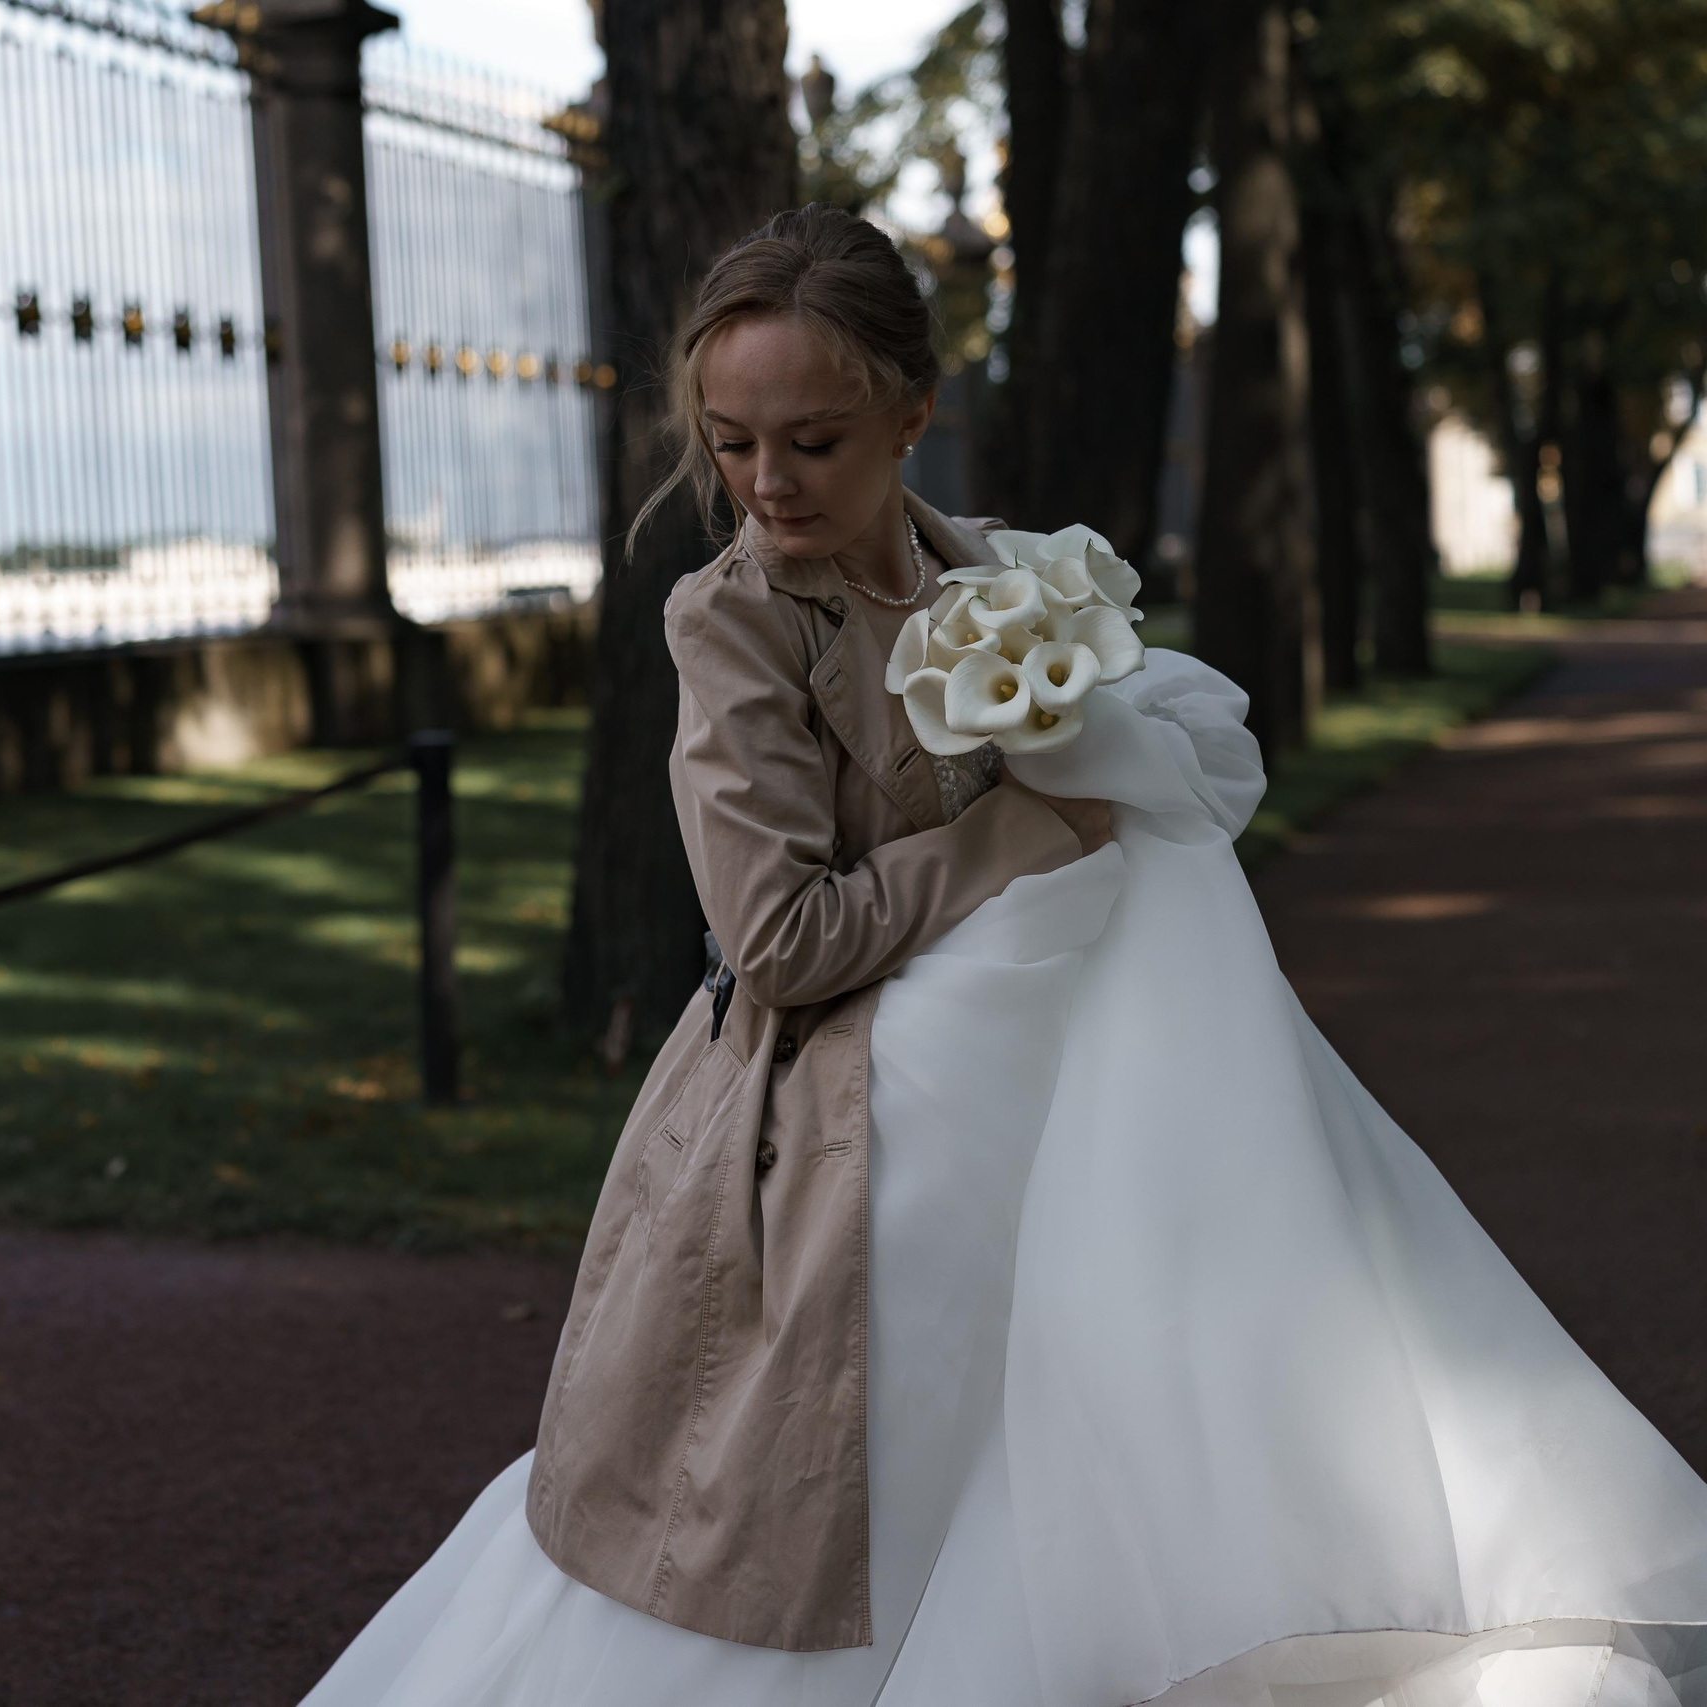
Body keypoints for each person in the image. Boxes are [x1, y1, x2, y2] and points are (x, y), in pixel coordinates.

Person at [297, 206, 1707, 1706]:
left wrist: (1098, 784)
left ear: (914, 413)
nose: (767, 484)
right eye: (730, 444)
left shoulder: (1003, 576)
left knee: (1173, 1325)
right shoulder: (735, 624)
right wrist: (1029, 835)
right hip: (857, 1105)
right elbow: (777, 941)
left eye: (816, 442)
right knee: (838, 1460)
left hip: (1071, 1071)